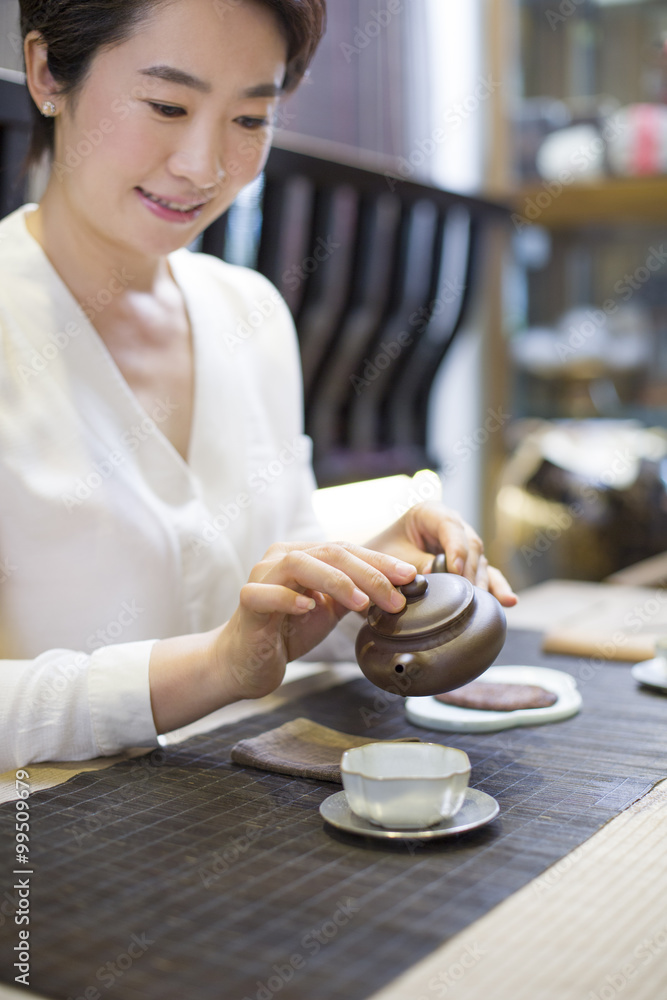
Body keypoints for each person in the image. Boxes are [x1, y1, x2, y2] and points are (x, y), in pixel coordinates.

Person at [0, 0, 516, 772]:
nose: (203, 167)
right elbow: (225, 656)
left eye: (249, 120)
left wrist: (369, 581)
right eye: (167, 105)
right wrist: (213, 668)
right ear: (47, 73)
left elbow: (259, 606)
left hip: (225, 823)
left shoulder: (249, 314)